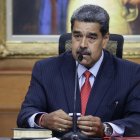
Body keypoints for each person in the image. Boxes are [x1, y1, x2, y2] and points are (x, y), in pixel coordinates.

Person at [17, 4, 140, 138]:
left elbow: (137, 120)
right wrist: (43, 119)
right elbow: (25, 114)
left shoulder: (130, 73)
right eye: (77, 36)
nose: (82, 44)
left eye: (91, 37)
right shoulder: (45, 69)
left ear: (105, 39)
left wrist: (106, 128)